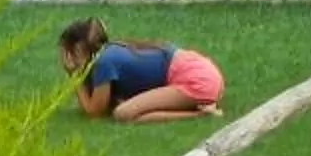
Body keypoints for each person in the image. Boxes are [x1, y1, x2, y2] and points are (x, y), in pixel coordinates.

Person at [58, 18, 224, 123]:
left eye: (66, 53)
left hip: (197, 81)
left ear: (78, 49)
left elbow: (94, 112)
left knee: (123, 114)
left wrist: (74, 76)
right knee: (125, 108)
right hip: (205, 72)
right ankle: (200, 106)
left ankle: (202, 114)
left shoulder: (103, 63)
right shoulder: (111, 51)